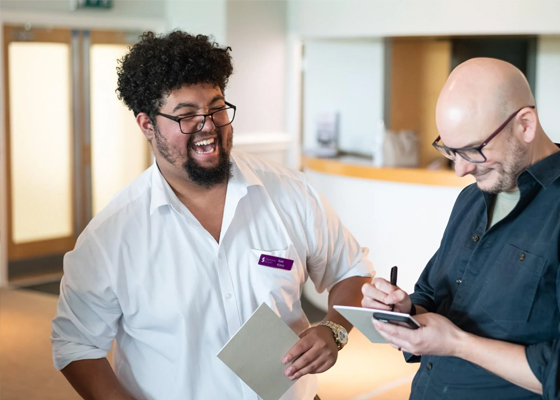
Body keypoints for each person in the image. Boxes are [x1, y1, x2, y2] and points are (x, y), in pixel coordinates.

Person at [51, 31, 373, 400]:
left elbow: (352, 271)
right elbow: (76, 345)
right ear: (147, 125)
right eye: (186, 115)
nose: (208, 126)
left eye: (217, 108)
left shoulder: (290, 193)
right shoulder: (111, 237)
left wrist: (334, 330)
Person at [362, 57, 560, 400]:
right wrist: (406, 312)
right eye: (451, 150)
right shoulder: (471, 198)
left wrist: (457, 343)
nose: (461, 169)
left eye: (473, 150)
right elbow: (434, 295)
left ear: (525, 125)